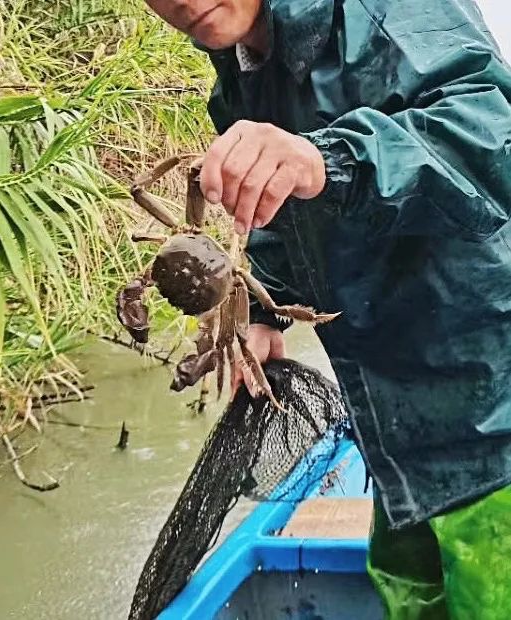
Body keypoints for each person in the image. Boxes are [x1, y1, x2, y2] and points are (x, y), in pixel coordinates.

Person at [142, 0, 511, 617]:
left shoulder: (385, 11)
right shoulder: (245, 71)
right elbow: (274, 219)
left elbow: (493, 131)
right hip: (395, 430)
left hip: (491, 423)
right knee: (412, 597)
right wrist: (264, 316)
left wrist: (326, 158)